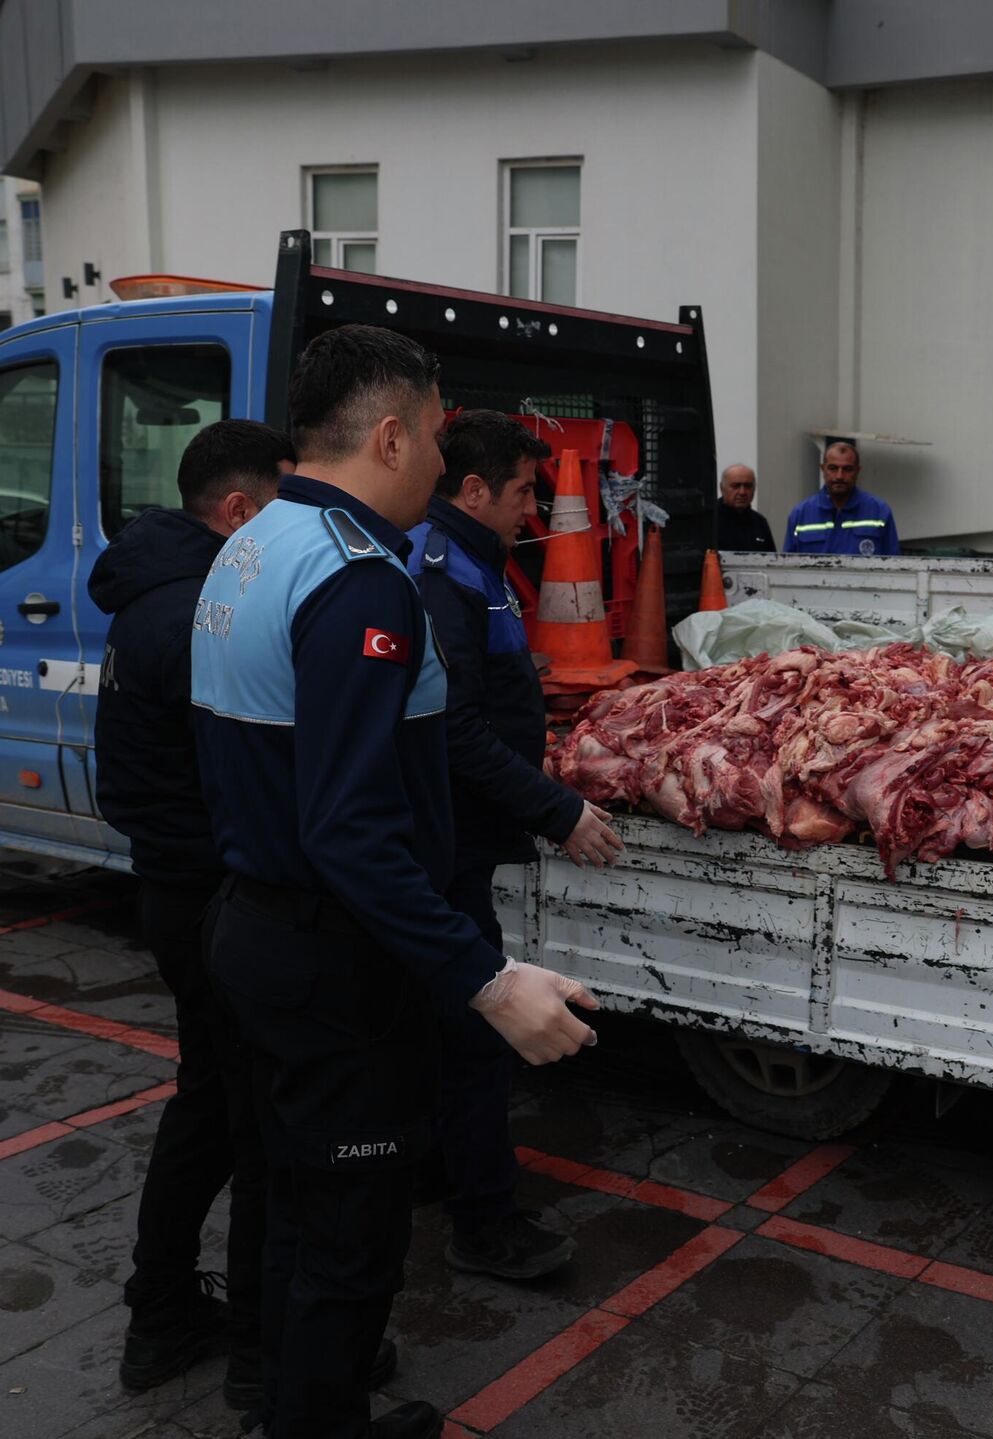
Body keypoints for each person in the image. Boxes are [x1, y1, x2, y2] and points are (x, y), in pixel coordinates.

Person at [191, 324, 601, 1439]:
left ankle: (287, 1401)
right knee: (351, 1238)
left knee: (294, 1201)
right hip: (334, 957)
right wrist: (487, 978)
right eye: (429, 433)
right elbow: (350, 828)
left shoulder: (253, 540)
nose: (435, 456)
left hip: (256, 923)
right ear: (387, 436)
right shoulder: (360, 579)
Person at [94, 421, 290, 1403]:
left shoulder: (159, 592)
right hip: (212, 892)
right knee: (251, 1121)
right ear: (238, 511)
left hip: (173, 886)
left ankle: (163, 1312)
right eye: (285, 506)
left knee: (208, 1104)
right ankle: (261, 1350)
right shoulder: (199, 610)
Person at [405, 409, 622, 1281]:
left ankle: (435, 1168)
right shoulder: (442, 571)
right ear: (474, 490)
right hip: (446, 842)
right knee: (475, 1032)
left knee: (440, 1023)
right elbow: (452, 727)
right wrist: (557, 809)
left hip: (463, 835)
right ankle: (485, 1222)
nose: (536, 509)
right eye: (526, 491)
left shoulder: (477, 560)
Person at [784, 440, 899, 555]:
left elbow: (894, 563)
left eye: (847, 469)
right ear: (823, 469)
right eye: (833, 468)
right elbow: (787, 564)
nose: (839, 476)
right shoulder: (800, 515)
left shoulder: (879, 513)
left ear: (857, 471)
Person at [713, 463, 776, 552]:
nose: (742, 492)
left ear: (754, 489)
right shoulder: (709, 522)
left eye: (748, 486)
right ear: (722, 488)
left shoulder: (760, 523)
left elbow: (771, 559)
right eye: (735, 486)